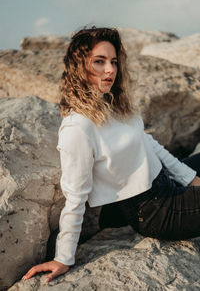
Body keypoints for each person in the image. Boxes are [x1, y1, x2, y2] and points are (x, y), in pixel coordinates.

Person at [23, 26, 200, 283]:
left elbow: (150, 145)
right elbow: (75, 196)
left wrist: (191, 179)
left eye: (114, 62)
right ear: (79, 66)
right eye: (99, 61)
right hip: (155, 211)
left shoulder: (113, 105)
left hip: (167, 183)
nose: (110, 70)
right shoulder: (78, 128)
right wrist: (63, 257)